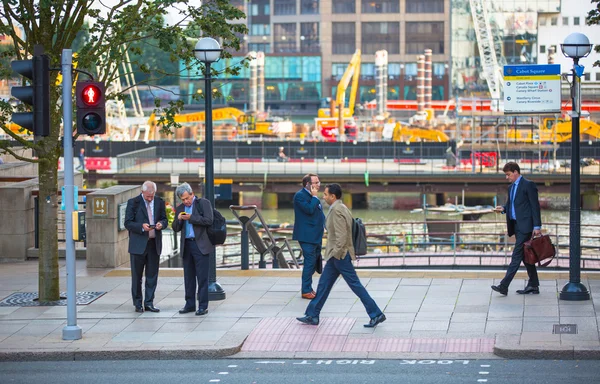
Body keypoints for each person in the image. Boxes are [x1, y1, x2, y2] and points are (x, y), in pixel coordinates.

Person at [297, 183, 386, 328]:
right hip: (336, 255)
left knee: (355, 285)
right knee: (324, 285)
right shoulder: (341, 207)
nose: (323, 197)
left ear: (333, 196)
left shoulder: (337, 210)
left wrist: (337, 254)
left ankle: (376, 314)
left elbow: (341, 236)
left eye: (325, 195)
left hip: (339, 255)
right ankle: (312, 315)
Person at [492, 162, 542, 295]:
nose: (506, 177)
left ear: (515, 172)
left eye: (508, 175)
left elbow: (534, 206)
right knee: (526, 257)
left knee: (516, 256)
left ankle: (504, 286)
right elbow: (512, 205)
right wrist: (503, 209)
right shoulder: (511, 188)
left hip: (526, 227)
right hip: (516, 226)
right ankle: (534, 285)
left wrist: (537, 226)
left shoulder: (528, 185)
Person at [124, 181, 167, 313]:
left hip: (154, 244)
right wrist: (141, 227)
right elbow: (128, 223)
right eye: (147, 196)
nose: (150, 198)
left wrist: (161, 224)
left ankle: (149, 302)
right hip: (138, 244)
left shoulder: (159, 202)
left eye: (152, 196)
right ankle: (138, 303)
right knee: (137, 276)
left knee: (152, 275)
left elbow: (165, 219)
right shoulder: (133, 203)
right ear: (142, 192)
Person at [172, 182, 214, 316]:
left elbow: (209, 220)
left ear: (192, 194)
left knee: (202, 277)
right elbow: (175, 228)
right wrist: (179, 220)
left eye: (187, 198)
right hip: (187, 245)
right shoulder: (180, 208)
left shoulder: (203, 203)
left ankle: (202, 306)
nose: (186, 201)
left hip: (200, 244)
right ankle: (189, 304)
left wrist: (191, 218)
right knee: (188, 277)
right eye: (183, 200)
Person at [293, 173, 325, 299]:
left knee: (313, 261)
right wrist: (315, 197)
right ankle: (306, 290)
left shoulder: (313, 197)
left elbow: (319, 214)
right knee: (309, 262)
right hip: (306, 236)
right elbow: (310, 210)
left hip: (316, 235)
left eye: (318, 182)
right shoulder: (300, 196)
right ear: (308, 184)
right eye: (315, 182)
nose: (318, 184)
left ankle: (309, 288)